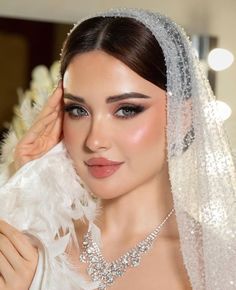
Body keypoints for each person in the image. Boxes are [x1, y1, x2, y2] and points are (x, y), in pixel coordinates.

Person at [0, 7, 235, 290]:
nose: (94, 140)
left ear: (182, 118)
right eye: (77, 110)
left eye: (126, 110)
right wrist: (26, 184)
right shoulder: (29, 243)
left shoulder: (215, 266)